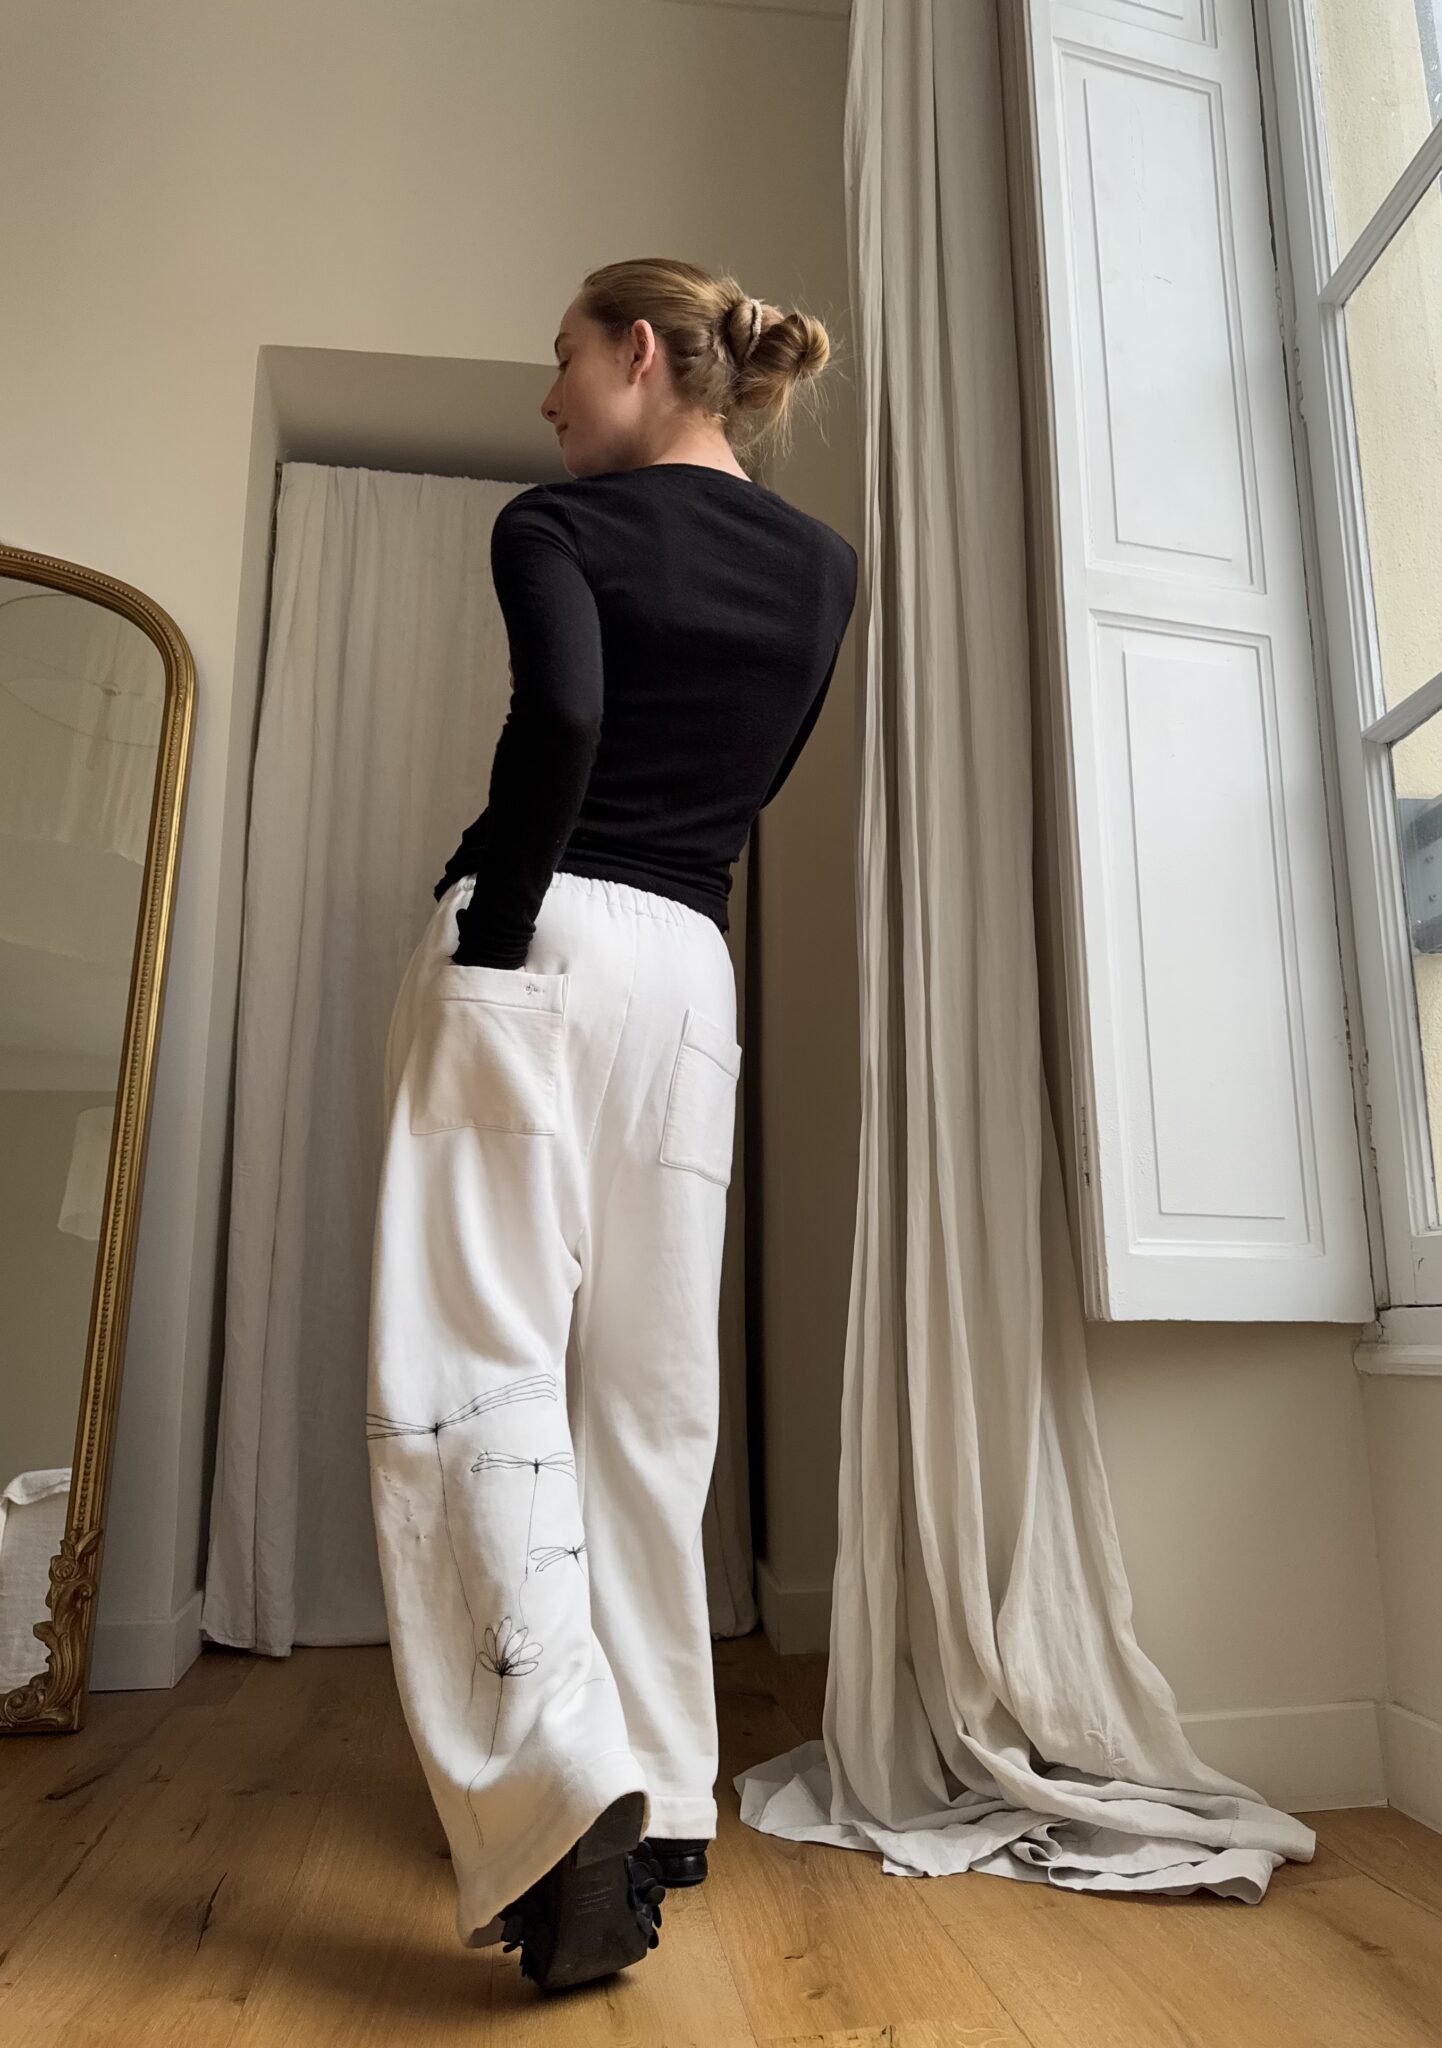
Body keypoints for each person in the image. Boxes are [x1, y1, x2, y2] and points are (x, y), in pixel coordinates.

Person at [366, 257, 859, 1995]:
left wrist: (498, 931)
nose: (549, 396)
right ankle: (662, 1792)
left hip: (542, 931)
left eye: (564, 359)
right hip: (688, 963)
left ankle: (553, 1799)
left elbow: (564, 716)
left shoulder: (556, 524)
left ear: (641, 353)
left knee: (470, 1374)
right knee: (650, 1396)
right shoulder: (823, 563)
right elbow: (757, 774)